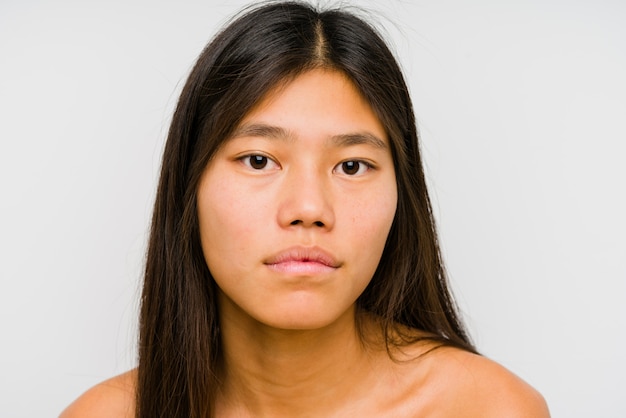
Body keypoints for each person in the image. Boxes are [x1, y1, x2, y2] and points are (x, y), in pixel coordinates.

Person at [61, 1, 549, 417]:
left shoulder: (488, 407)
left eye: (353, 166)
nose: (309, 208)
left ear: (403, 196)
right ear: (190, 186)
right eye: (259, 160)